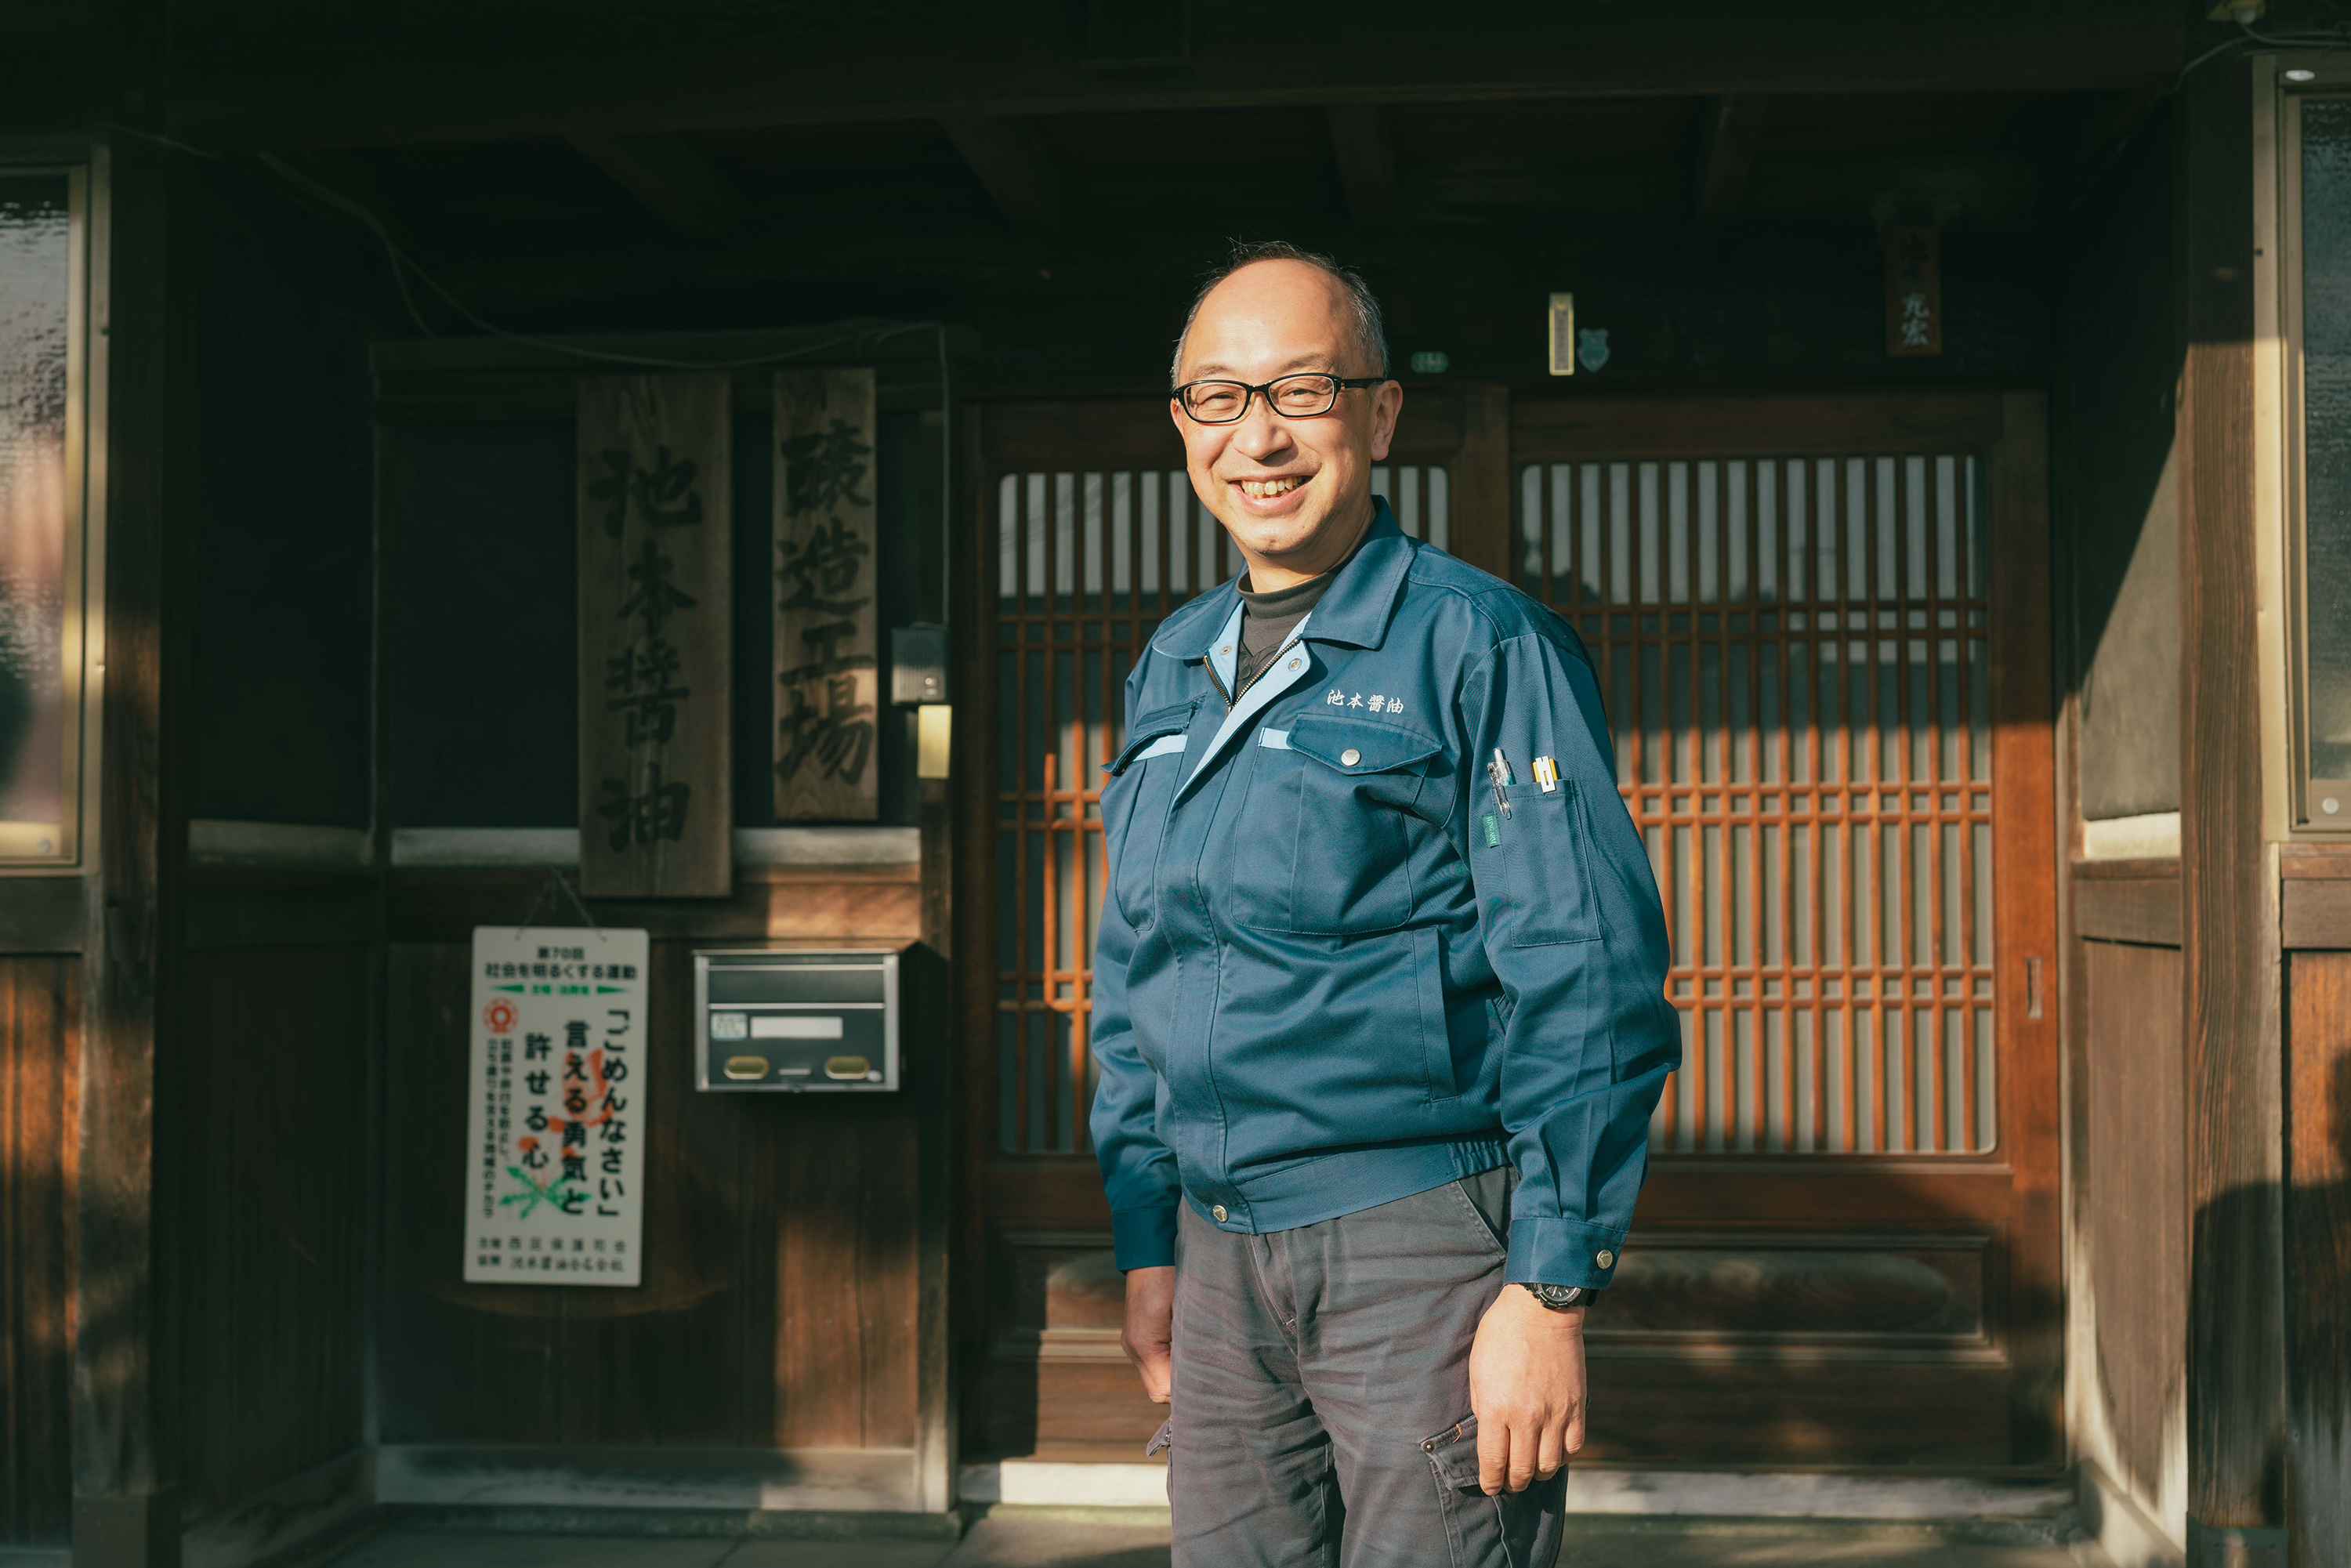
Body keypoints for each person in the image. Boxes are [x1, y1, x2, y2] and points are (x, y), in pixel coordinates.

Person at [1088, 240, 1679, 1567]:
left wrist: (1549, 1285)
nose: (1261, 438)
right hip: (1217, 1253)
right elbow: (1137, 962)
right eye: (1220, 398)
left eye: (1302, 389)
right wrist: (1145, 1234)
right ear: (1181, 425)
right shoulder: (1172, 663)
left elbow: (1582, 970)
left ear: (1381, 412)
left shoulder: (1480, 642)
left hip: (1420, 1250)